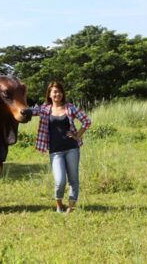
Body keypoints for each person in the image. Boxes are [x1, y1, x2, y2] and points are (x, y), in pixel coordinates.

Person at [32, 82, 91, 213]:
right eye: (54, 92)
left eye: (59, 91)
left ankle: (70, 208)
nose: (57, 94)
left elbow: (87, 121)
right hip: (55, 151)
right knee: (59, 181)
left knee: (73, 179)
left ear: (62, 93)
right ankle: (59, 205)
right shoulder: (44, 109)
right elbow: (30, 111)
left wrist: (77, 135)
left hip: (72, 148)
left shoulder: (70, 108)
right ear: (49, 94)